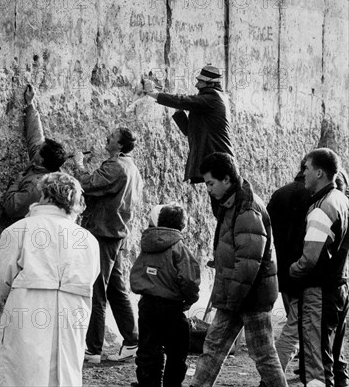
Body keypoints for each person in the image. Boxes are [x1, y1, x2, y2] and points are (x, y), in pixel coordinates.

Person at [0, 172, 100, 387]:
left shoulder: (18, 230)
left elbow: (3, 273)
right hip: (72, 310)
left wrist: (11, 295)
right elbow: (91, 275)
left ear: (43, 195)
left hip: (28, 304)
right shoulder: (87, 239)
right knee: (65, 372)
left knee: (23, 371)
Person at [189, 152, 287, 387]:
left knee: (263, 355)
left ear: (226, 180)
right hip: (235, 293)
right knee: (213, 348)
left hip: (250, 297)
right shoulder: (234, 202)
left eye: (211, 183)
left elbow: (248, 262)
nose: (209, 189)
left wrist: (230, 299)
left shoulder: (246, 209)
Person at [72, 127, 144, 363]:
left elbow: (87, 184)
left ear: (120, 145)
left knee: (97, 290)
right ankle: (132, 341)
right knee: (116, 289)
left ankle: (93, 349)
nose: (107, 138)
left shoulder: (115, 166)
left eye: (112, 137)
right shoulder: (132, 168)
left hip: (102, 233)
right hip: (116, 233)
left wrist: (78, 163)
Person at [289, 148, 349, 387]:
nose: (303, 173)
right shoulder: (343, 201)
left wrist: (292, 269)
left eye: (307, 168)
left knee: (316, 366)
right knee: (331, 358)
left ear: (320, 172)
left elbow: (309, 260)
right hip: (339, 288)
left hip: (318, 293)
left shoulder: (321, 209)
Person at [130, 204, 201, 387]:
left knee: (148, 349)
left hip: (147, 305)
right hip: (172, 307)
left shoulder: (146, 245)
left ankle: (148, 383)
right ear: (182, 225)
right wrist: (189, 300)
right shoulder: (179, 248)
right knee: (177, 351)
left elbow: (135, 275)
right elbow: (190, 280)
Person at [141, 64, 234, 183]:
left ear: (210, 84)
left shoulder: (213, 98)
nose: (197, 85)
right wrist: (178, 109)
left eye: (200, 82)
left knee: (222, 198)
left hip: (221, 162)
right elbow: (188, 130)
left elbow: (182, 100)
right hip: (216, 160)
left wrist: (152, 93)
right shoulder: (209, 100)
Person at [267, 159, 311, 372]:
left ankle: (302, 365)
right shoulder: (316, 196)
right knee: (295, 327)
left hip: (281, 270)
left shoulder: (279, 194)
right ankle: (272, 376)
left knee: (295, 322)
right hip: (303, 271)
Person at [2, 85, 67, 221]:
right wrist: (30, 105)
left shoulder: (36, 187)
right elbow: (36, 136)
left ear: (41, 160)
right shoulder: (46, 165)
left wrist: (17, 181)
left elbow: (11, 207)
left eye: (40, 150)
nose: (37, 149)